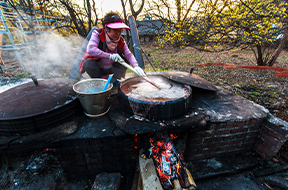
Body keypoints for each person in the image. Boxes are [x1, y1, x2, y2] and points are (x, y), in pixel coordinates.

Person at [79, 12, 145, 83]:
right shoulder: (97, 34)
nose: (118, 33)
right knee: (88, 63)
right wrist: (109, 56)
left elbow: (128, 55)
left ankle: (113, 81)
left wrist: (136, 66)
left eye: (120, 30)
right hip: (97, 69)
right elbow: (90, 49)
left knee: (125, 60)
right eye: (115, 30)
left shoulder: (121, 40)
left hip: (110, 68)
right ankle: (100, 82)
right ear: (107, 28)